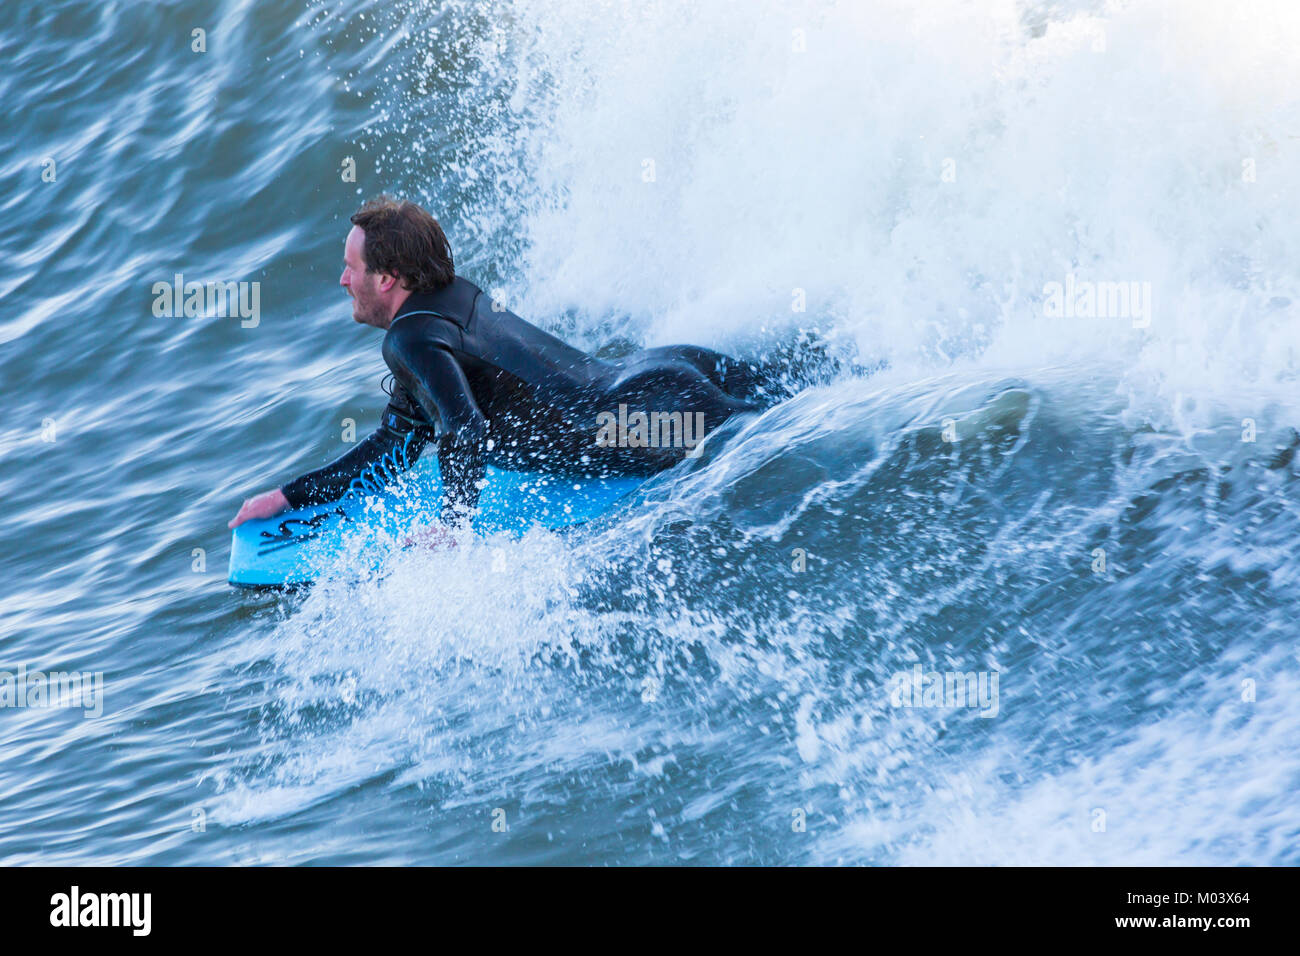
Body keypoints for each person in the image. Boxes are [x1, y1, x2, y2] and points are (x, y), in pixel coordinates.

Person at [229, 196, 771, 531]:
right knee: (814, 403)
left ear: (388, 278)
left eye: (351, 268)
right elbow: (398, 444)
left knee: (799, 444)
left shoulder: (409, 340)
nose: (343, 280)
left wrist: (452, 525)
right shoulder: (451, 298)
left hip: (643, 423)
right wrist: (288, 495)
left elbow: (465, 425)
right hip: (662, 372)